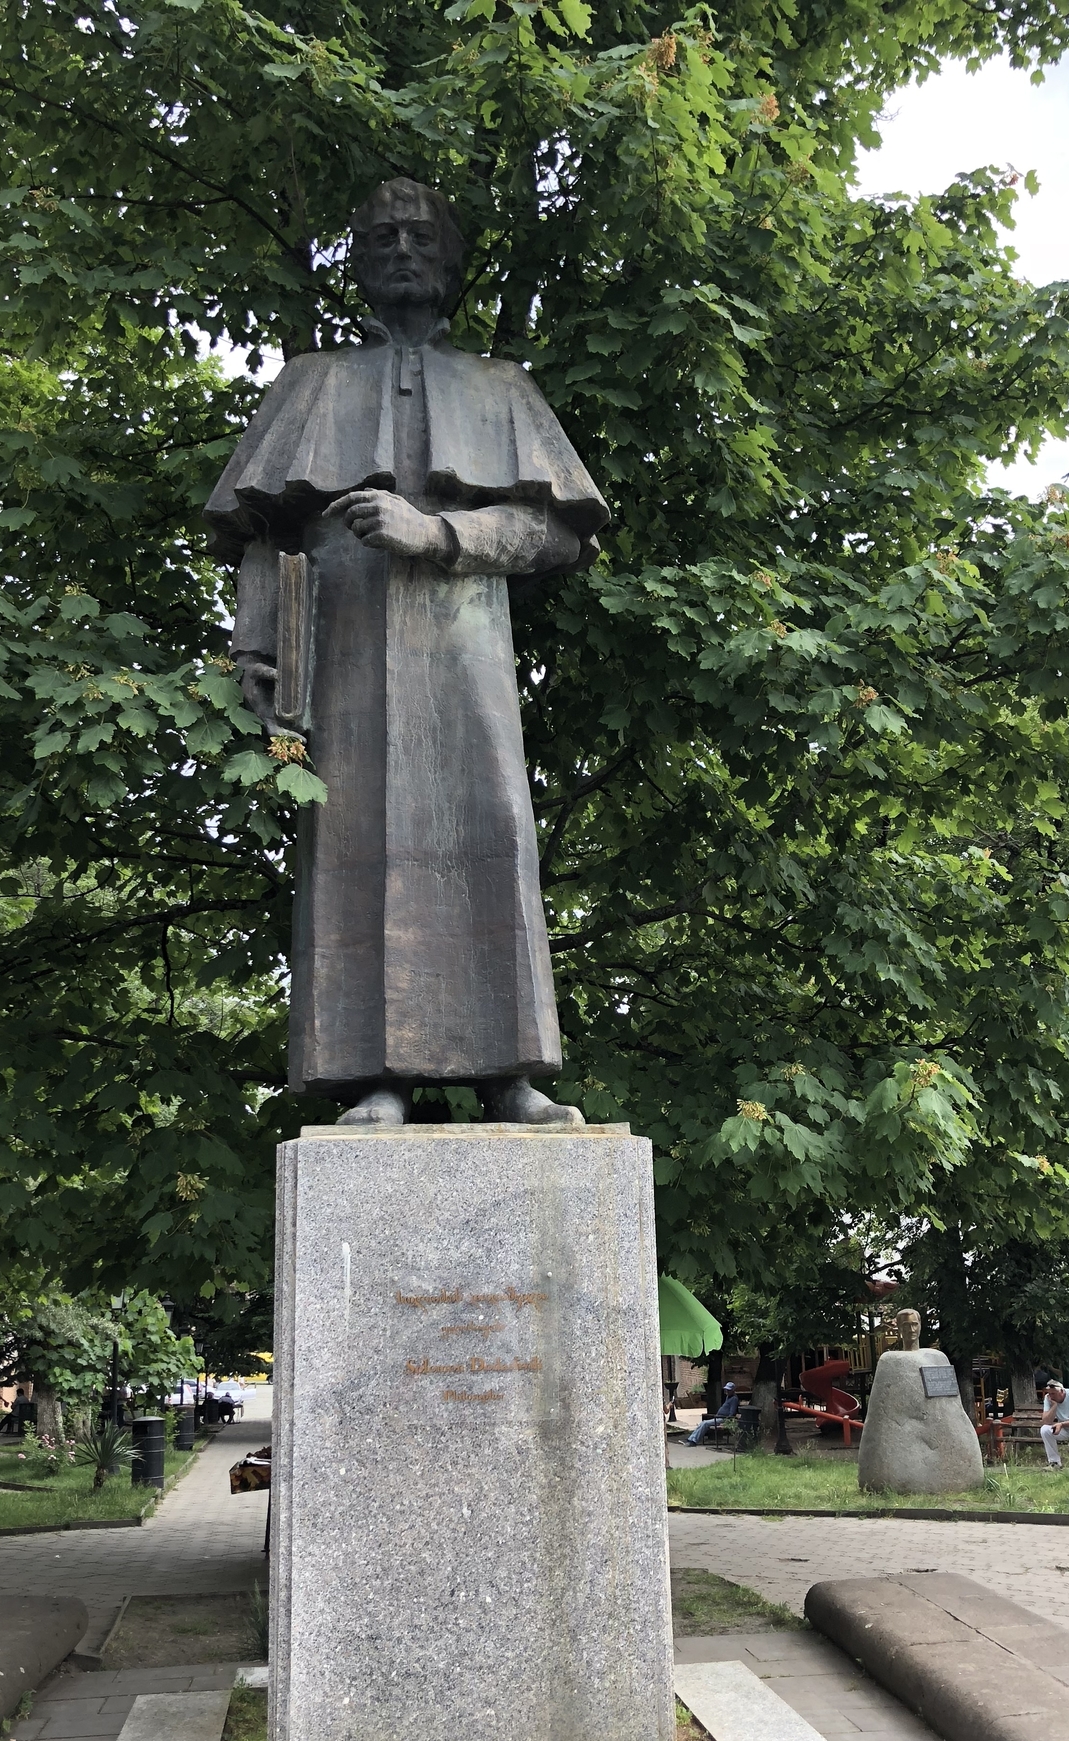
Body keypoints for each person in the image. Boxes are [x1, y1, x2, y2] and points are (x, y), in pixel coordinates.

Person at [207, 178, 609, 1128]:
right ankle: (372, 1077)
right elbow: (263, 532)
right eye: (382, 235)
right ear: (357, 261)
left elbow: (557, 535)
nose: (401, 249)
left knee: (490, 830)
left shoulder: (501, 387)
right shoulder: (311, 383)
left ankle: (510, 1076)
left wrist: (436, 533)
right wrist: (255, 649)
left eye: (421, 235)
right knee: (354, 841)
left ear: (450, 260)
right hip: (340, 646)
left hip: (464, 645)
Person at [686, 1382, 741, 1447]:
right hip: (719, 1417)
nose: (727, 1391)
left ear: (733, 1390)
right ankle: (691, 1439)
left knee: (705, 1424)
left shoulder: (734, 1399)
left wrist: (726, 1422)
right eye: (726, 1390)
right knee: (703, 1423)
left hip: (723, 1419)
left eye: (729, 1390)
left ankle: (694, 1441)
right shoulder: (728, 1397)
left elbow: (732, 1413)